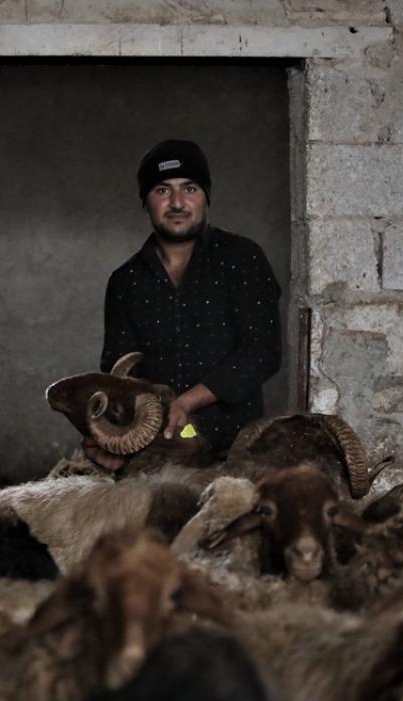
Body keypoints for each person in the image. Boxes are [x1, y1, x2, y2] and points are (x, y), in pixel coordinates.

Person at [83, 139, 282, 471]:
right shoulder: (125, 281)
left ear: (206, 196)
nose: (177, 202)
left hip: (237, 451)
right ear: (145, 202)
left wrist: (187, 402)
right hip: (159, 446)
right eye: (162, 190)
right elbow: (118, 369)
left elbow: (263, 352)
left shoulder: (242, 259)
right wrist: (116, 434)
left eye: (189, 188)